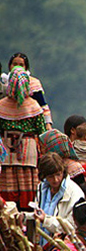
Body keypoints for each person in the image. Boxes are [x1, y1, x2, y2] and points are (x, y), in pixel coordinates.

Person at [0, 66, 48, 209]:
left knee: (8, 186)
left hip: (6, 153)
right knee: (28, 187)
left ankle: (9, 215)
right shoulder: (34, 107)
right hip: (28, 153)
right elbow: (42, 132)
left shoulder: (1, 106)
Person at [35, 152, 85, 236]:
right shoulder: (41, 189)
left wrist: (46, 220)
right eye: (51, 176)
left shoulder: (74, 192)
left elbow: (71, 226)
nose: (56, 180)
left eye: (58, 175)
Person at [7, 53, 52, 125]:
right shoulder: (4, 82)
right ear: (10, 66)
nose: (17, 67)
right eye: (15, 64)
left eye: (21, 65)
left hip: (29, 122)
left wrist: (47, 124)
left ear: (26, 67)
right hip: (7, 120)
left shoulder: (34, 83)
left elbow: (43, 105)